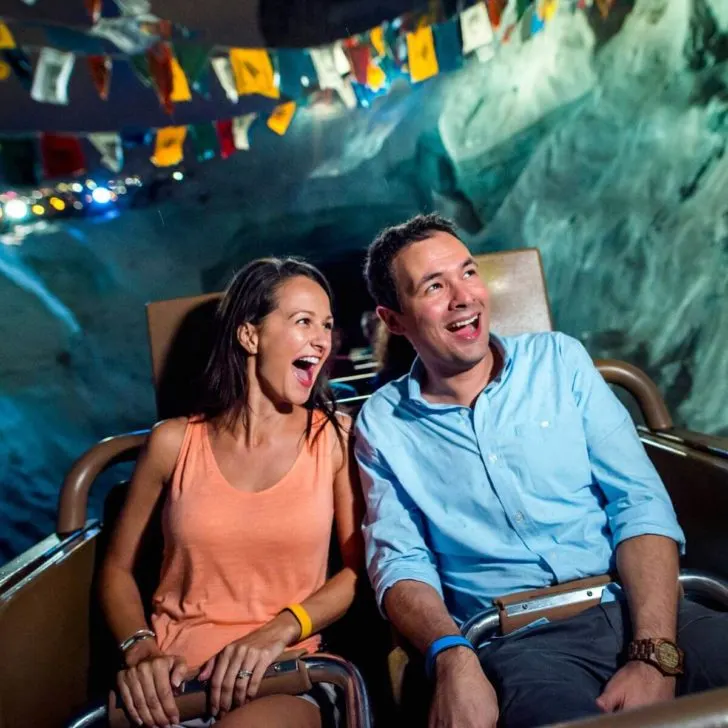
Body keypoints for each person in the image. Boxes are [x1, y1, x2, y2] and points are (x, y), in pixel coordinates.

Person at [354, 213, 728, 728]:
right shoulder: (383, 423)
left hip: (639, 605)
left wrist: (654, 653)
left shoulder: (559, 361)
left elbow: (637, 503)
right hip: (519, 644)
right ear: (393, 319)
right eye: (434, 286)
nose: (463, 297)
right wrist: (453, 657)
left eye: (467, 273)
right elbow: (401, 565)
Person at [100, 258, 363, 728]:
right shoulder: (173, 443)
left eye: (326, 324)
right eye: (303, 321)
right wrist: (139, 650)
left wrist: (277, 631)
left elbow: (355, 573)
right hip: (172, 685)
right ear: (250, 336)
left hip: (281, 675)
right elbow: (117, 569)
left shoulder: (333, 438)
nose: (322, 339)